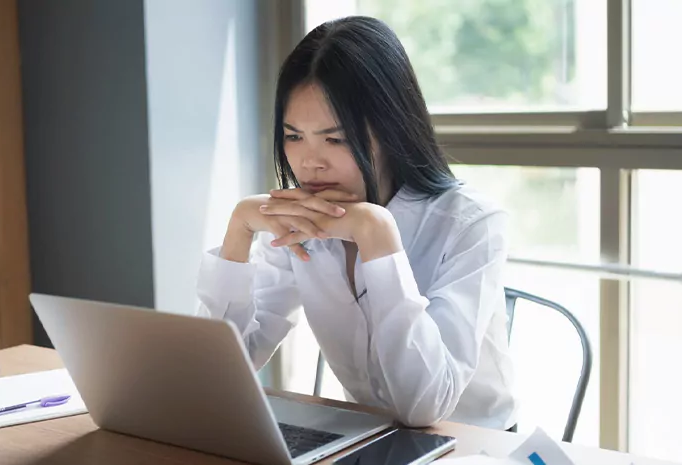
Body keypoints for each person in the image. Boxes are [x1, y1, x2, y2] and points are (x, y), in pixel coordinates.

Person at [195, 16, 517, 430]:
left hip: (474, 446)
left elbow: (425, 407)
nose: (310, 163)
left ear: (392, 129)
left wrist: (376, 236)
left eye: (336, 139)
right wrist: (238, 232)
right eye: (294, 137)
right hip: (371, 441)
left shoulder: (471, 224)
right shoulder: (304, 222)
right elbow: (220, 373)